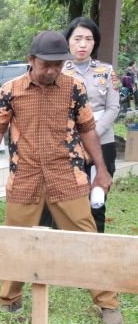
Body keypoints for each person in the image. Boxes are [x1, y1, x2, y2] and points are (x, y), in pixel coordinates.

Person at [0, 31, 123, 324]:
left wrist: (101, 170)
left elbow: (89, 129)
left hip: (67, 176)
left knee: (87, 241)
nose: (51, 70)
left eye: (57, 64)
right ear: (31, 60)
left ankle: (108, 305)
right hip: (24, 177)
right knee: (16, 243)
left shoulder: (74, 87)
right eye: (45, 64)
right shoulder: (10, 91)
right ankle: (9, 301)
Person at [61, 17, 119, 233]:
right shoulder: (59, 72)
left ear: (95, 43)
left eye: (88, 39)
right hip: (69, 143)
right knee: (71, 203)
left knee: (97, 201)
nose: (83, 44)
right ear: (68, 41)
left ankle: (97, 252)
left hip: (102, 142)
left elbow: (113, 108)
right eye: (77, 39)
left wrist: (92, 134)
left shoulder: (106, 71)